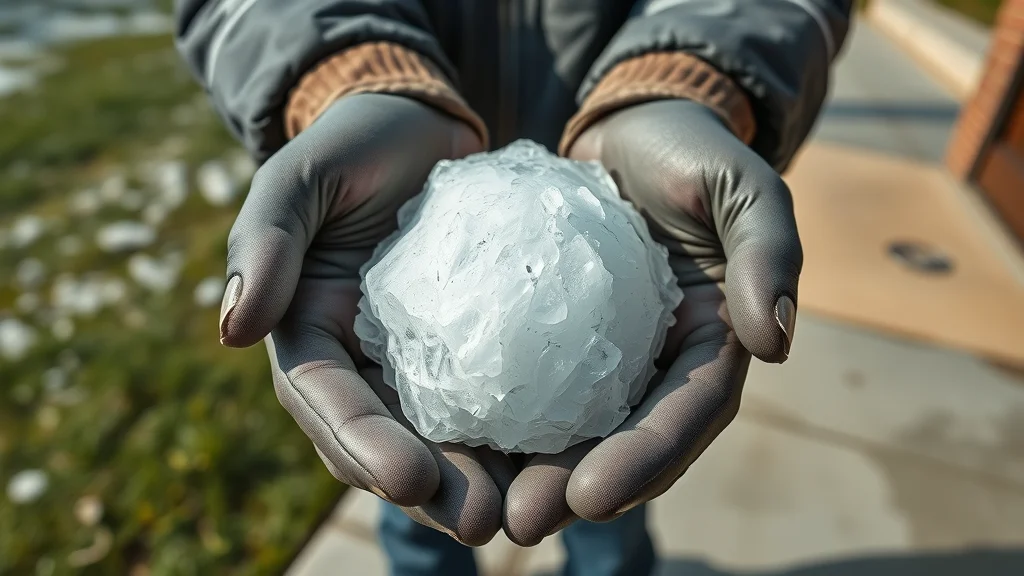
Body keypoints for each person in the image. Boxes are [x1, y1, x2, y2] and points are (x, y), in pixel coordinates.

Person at [174, 1, 853, 574]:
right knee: (419, 515)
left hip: (610, 170)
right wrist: (343, 74)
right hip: (416, 180)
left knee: (609, 513)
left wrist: (693, 82)